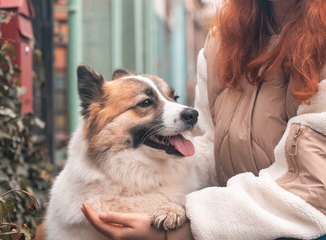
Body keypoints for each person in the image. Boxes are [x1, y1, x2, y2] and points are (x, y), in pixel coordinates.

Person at [82, 0, 326, 239]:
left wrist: (183, 228)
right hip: (228, 224)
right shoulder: (223, 39)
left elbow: (312, 191)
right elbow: (207, 144)